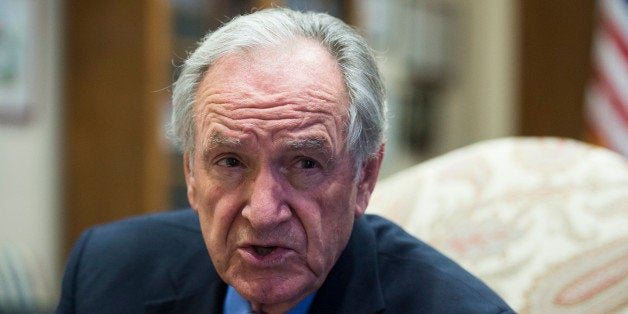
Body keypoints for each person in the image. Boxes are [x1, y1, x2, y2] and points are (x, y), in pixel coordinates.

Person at [56, 8, 514, 313]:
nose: (263, 211)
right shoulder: (107, 274)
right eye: (230, 161)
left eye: (305, 164)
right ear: (191, 176)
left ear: (365, 177)